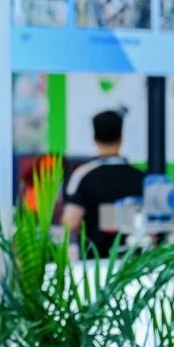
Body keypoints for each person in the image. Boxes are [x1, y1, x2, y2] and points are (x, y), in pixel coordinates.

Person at [61, 109, 145, 257]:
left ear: (94, 139)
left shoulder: (82, 175)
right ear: (121, 138)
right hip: (134, 261)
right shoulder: (140, 177)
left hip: (94, 263)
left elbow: (70, 222)